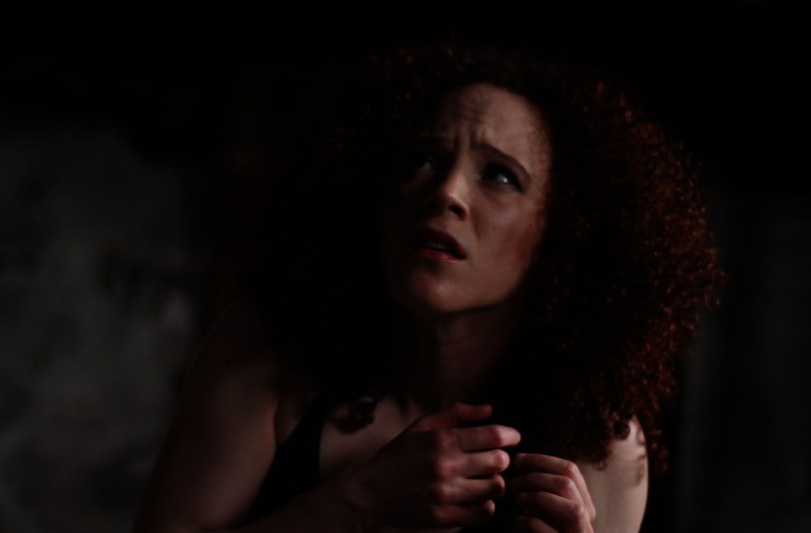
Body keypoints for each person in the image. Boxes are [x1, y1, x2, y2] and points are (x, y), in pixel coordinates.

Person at [133, 43, 721, 533]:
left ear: (560, 235)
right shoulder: (267, 352)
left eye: (500, 176)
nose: (446, 192)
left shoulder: (599, 443)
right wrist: (357, 503)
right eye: (423, 159)